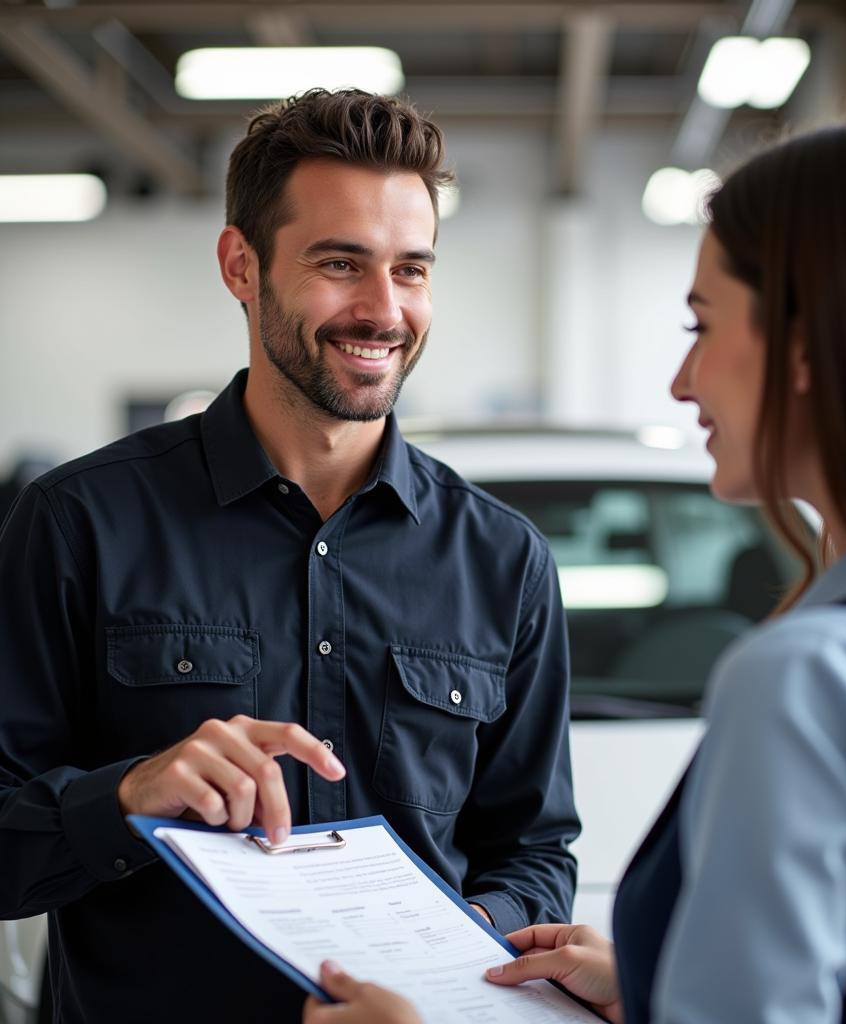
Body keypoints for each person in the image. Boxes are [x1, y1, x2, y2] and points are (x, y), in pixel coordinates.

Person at [303, 114, 846, 1022]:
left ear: (807, 347)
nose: (683, 380)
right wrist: (652, 994)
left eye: (703, 325)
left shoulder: (813, 679)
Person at [0, 89, 579, 1023]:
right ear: (242, 265)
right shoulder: (78, 522)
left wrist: (464, 937)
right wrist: (130, 794)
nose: (384, 310)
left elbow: (536, 850)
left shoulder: (504, 561)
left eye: (413, 269)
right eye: (341, 263)